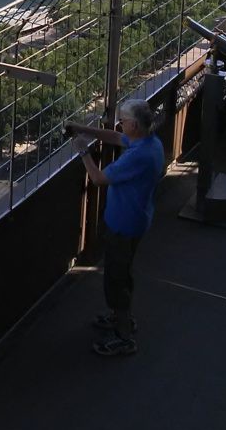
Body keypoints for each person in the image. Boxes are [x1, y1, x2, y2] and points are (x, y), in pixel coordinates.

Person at [68, 98, 165, 358]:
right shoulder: (150, 143)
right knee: (123, 273)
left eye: (122, 120)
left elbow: (99, 178)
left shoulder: (138, 155)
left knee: (116, 279)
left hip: (123, 224)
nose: (119, 123)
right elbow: (114, 137)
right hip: (137, 219)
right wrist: (85, 129)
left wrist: (83, 151)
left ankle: (123, 336)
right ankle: (122, 317)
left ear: (133, 124)